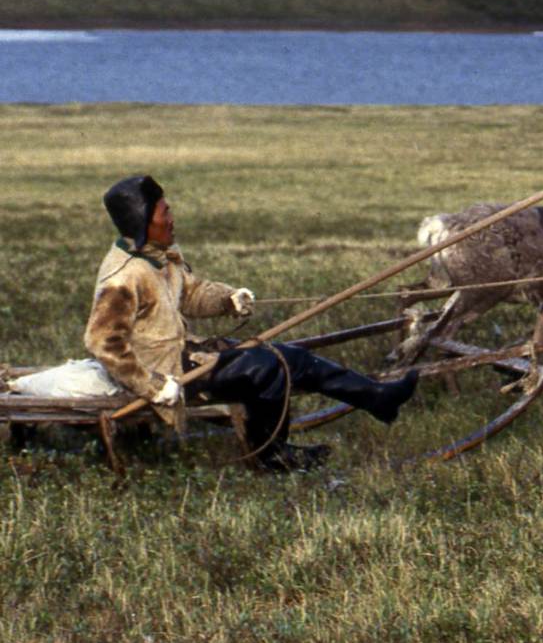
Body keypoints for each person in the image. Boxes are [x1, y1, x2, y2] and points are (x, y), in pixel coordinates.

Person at [84, 175, 418, 472]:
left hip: (186, 354)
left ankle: (377, 398)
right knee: (265, 368)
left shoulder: (158, 254)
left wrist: (228, 299)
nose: (172, 219)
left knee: (293, 358)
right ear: (143, 222)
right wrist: (155, 387)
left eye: (169, 210)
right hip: (168, 373)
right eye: (164, 214)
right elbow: (102, 342)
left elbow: (191, 293)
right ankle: (271, 456)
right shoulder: (124, 277)